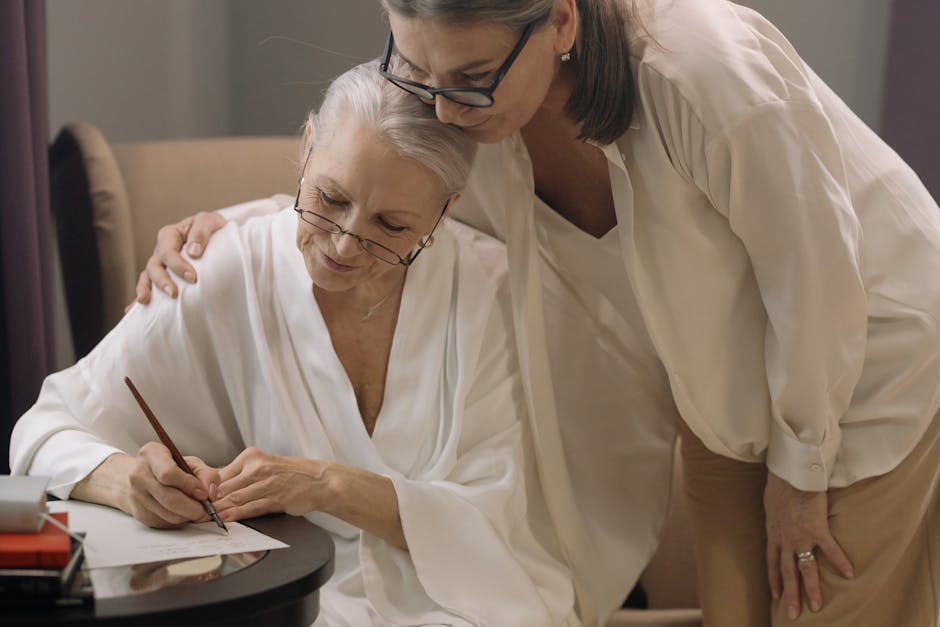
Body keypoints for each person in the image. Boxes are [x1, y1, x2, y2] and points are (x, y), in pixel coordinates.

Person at [137, 1, 940, 625]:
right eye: (414, 69)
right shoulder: (477, 112)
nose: (444, 108)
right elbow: (394, 192)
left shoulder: (701, 66)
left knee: (823, 605)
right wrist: (247, 223)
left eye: (470, 75)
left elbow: (816, 265)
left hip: (861, 354)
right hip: (723, 389)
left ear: (560, 19)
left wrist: (803, 477)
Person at [10, 62, 582, 627]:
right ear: (307, 148)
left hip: (474, 605)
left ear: (444, 211)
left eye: (391, 226)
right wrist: (124, 481)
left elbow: (503, 523)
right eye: (331, 199)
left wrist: (327, 485)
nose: (344, 245)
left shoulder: (494, 292)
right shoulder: (219, 271)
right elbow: (43, 428)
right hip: (295, 603)